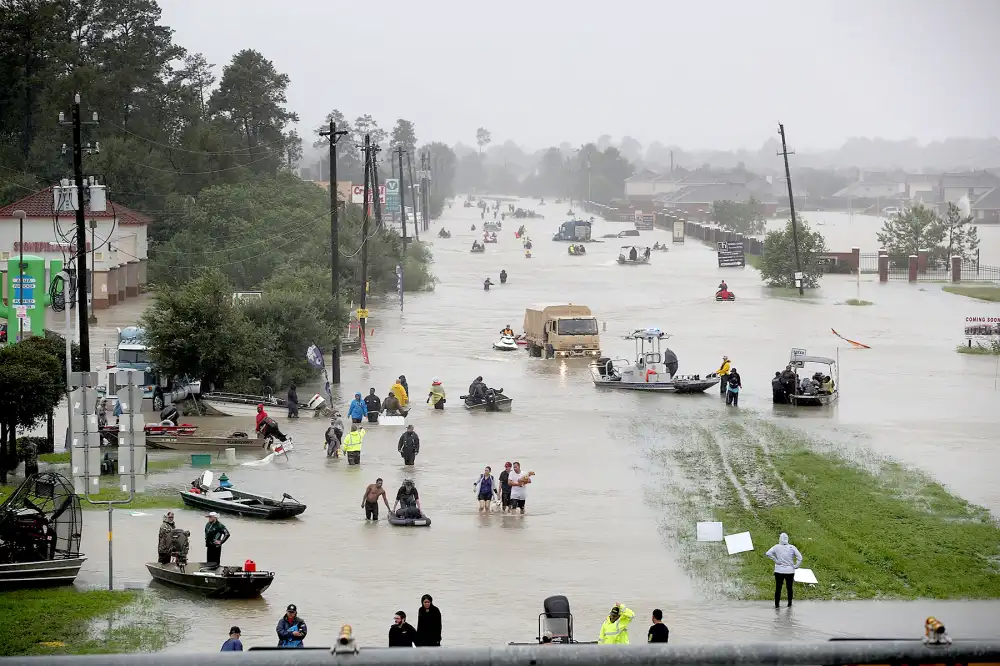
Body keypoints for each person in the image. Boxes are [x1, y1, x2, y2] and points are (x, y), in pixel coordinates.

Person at [766, 532, 803, 608]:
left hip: (779, 571)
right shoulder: (792, 547)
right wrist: (796, 566)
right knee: (789, 588)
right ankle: (789, 604)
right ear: (787, 539)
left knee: (778, 588)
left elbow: (768, 553)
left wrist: (776, 560)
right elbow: (800, 558)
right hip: (790, 571)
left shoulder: (776, 547)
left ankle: (777, 605)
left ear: (780, 539)